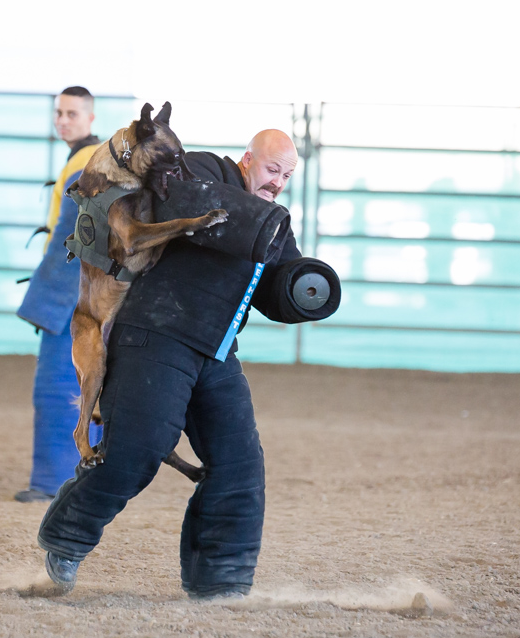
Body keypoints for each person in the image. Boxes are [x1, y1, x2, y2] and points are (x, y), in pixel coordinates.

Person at [37, 129, 342, 598]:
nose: (278, 182)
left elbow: (275, 282)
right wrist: (265, 222)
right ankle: (66, 539)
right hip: (153, 336)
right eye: (272, 170)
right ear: (247, 160)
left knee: (239, 466)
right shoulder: (199, 170)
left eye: (286, 175)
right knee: (136, 451)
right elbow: (179, 200)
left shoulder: (272, 221)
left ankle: (220, 579)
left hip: (216, 351)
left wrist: (302, 285)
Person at [15, 87, 104, 503]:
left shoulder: (85, 164)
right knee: (90, 389)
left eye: (72, 114)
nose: (62, 121)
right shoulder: (90, 158)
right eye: (59, 113)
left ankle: (54, 483)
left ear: (90, 118)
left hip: (72, 300)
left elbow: (74, 237)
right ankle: (88, 480)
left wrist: (46, 301)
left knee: (58, 390)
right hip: (94, 297)